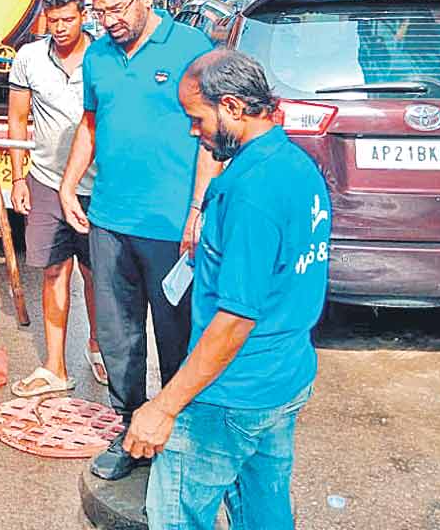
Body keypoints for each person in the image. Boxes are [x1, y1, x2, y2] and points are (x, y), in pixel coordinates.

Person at [127, 50, 331, 529]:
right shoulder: (297, 167)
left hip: (231, 394)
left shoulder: (250, 190)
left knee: (175, 514)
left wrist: (163, 407)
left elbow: (235, 319)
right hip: (284, 380)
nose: (193, 131)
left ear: (234, 108)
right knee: (264, 512)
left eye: (197, 118)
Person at [58, 0, 221, 482]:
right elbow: (90, 125)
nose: (108, 22)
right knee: (118, 337)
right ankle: (129, 431)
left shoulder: (192, 51)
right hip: (109, 221)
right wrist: (67, 185)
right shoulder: (99, 57)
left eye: (116, 9)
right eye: (100, 12)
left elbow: (212, 141)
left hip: (171, 229)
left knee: (178, 340)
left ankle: (178, 435)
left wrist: (198, 210)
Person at [7, 0, 106, 397]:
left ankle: (98, 347)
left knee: (96, 274)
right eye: (54, 21)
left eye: (69, 19)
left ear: (82, 15)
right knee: (53, 270)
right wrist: (17, 176)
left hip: (99, 185)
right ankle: (54, 366)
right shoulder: (29, 58)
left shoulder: (105, 57)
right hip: (47, 181)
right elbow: (17, 119)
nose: (61, 28)